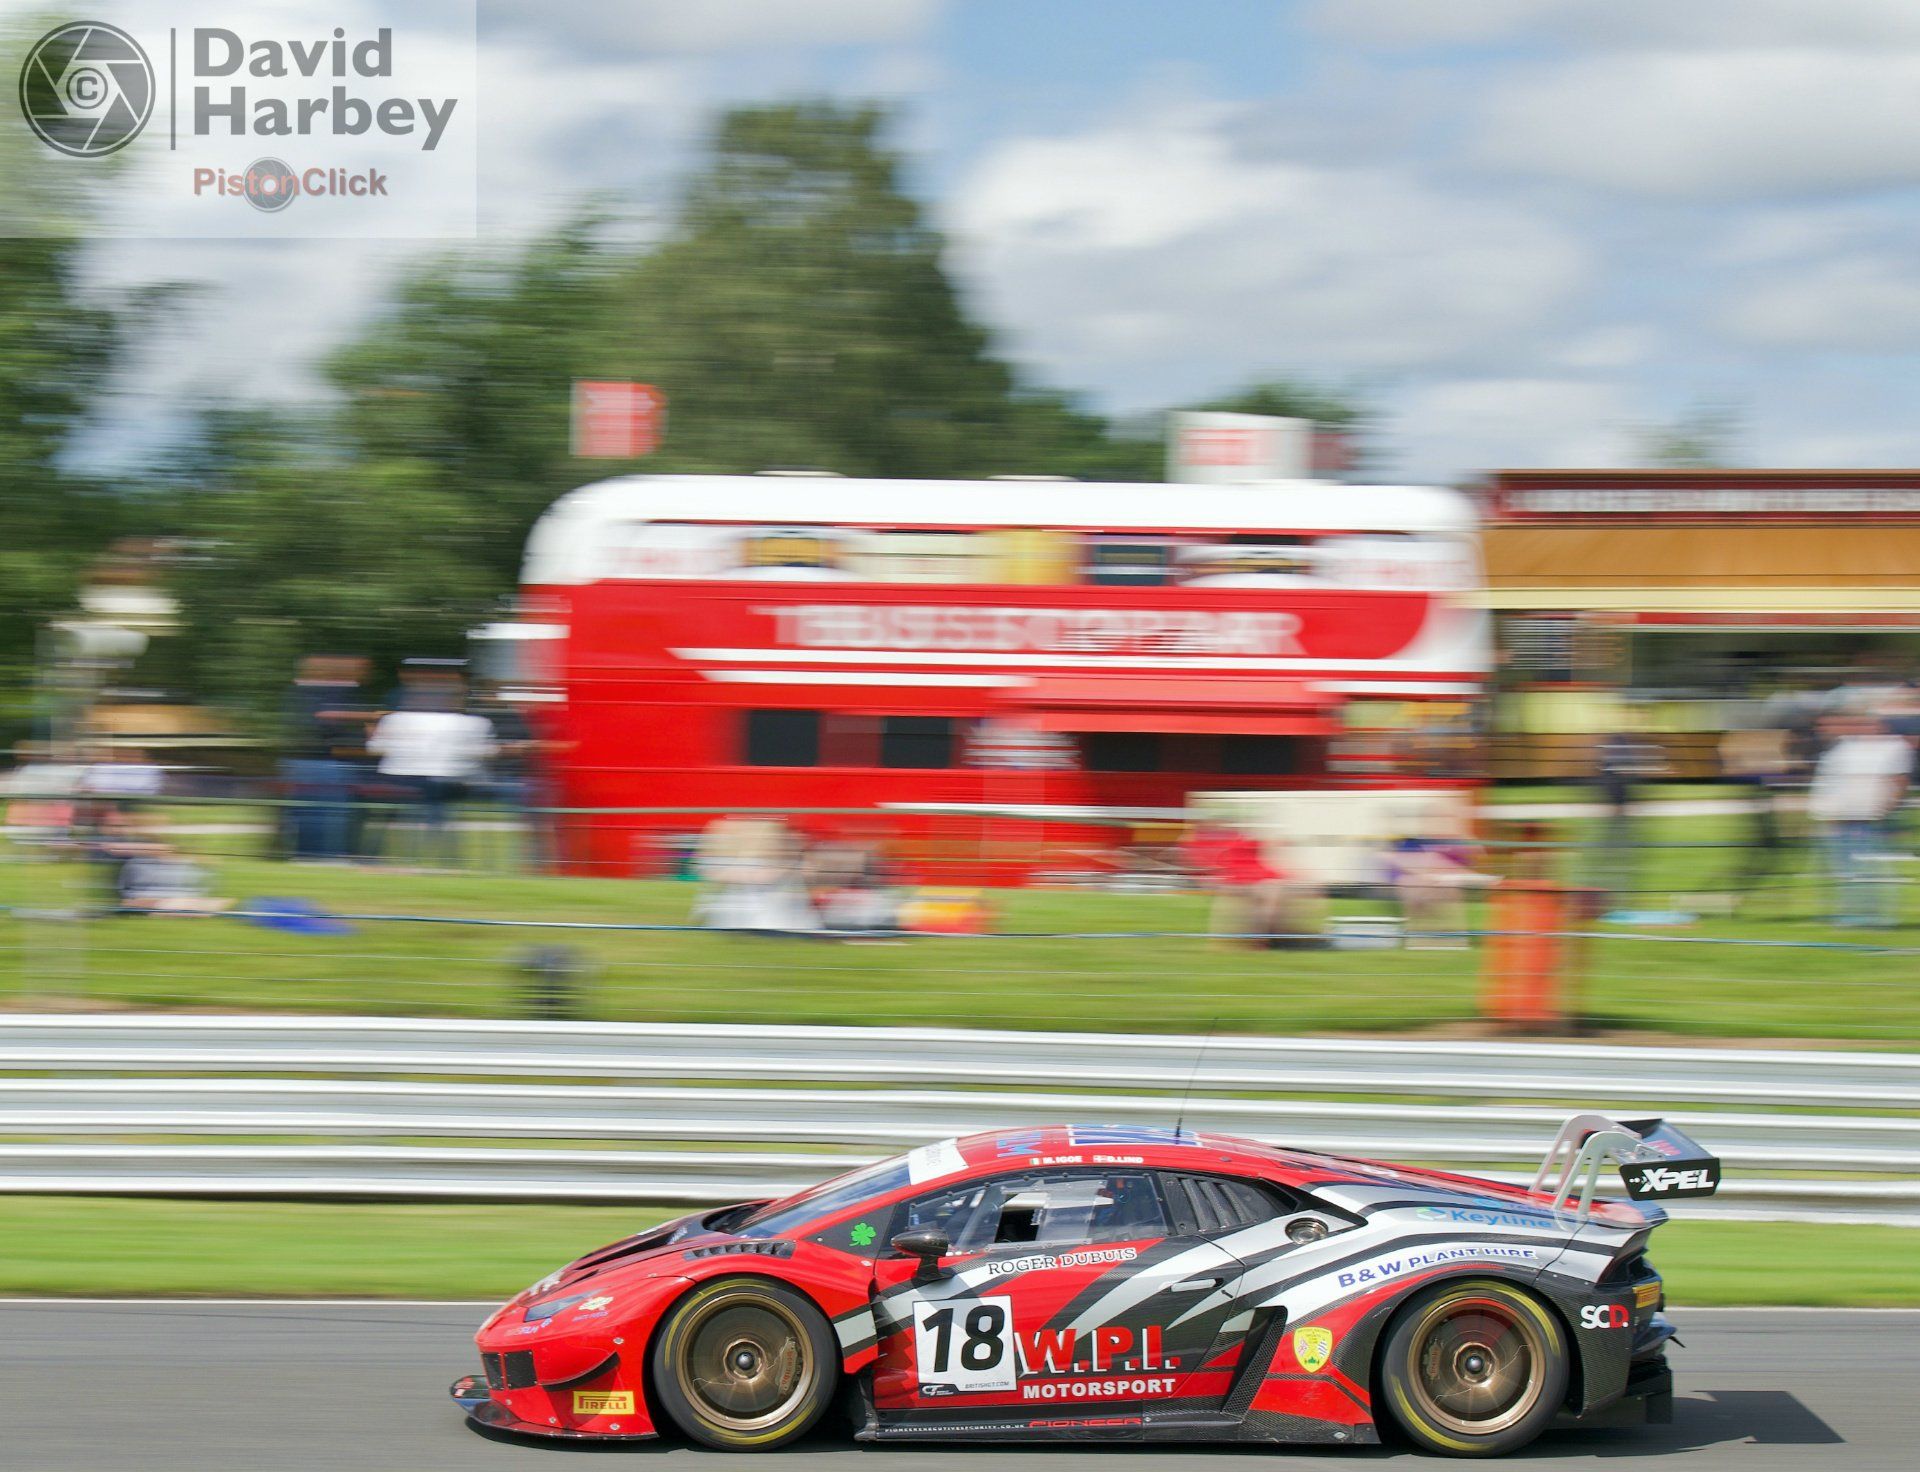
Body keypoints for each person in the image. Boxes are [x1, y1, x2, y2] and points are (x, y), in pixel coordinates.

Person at [365, 675, 495, 868]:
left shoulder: (393, 719)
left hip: (399, 781)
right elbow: (484, 752)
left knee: (388, 811)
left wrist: (373, 735)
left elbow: (374, 749)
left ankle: (372, 857)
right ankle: (449, 858)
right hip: (446, 783)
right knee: (438, 806)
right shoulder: (474, 723)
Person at [1808, 713, 1912, 927]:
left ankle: (1877, 917)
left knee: (1869, 871)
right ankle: (1851, 915)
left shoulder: (1892, 747)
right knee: (1845, 872)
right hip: (1838, 819)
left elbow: (1900, 781)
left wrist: (1887, 809)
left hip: (1867, 819)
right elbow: (1830, 782)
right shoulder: (1844, 746)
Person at [281, 656, 373, 860]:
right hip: (327, 763)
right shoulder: (335, 692)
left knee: (311, 814)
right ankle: (326, 857)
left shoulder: (301, 692)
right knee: (329, 816)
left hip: (309, 762)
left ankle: (309, 856)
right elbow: (331, 726)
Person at [1182, 819, 1311, 948]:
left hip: (1251, 882)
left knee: (1272, 898)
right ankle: (1265, 938)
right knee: (1270, 898)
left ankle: (1271, 936)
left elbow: (1265, 853)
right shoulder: (1232, 842)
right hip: (1246, 883)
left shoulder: (1240, 842)